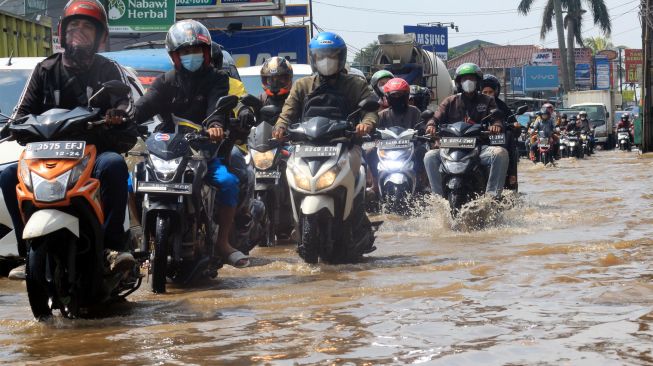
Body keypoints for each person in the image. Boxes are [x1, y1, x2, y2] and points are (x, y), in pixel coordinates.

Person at [0, 0, 137, 280]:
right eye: (74, 25)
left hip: (93, 153)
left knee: (114, 166)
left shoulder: (109, 70)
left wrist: (117, 116)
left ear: (100, 36)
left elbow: (126, 105)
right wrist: (14, 126)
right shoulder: (45, 69)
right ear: (62, 32)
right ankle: (27, 252)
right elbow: (22, 112)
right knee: (7, 175)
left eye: (87, 27)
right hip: (47, 156)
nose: (79, 31)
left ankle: (111, 247)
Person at [133, 19, 251, 268]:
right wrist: (124, 118)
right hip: (167, 150)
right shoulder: (166, 80)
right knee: (131, 180)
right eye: (185, 52)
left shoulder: (217, 79)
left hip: (203, 150)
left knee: (229, 182)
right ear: (175, 56)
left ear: (206, 52)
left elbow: (216, 107)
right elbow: (145, 106)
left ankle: (222, 243)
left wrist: (215, 126)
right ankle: (142, 241)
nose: (191, 56)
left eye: (196, 51)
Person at [271, 31, 377, 251]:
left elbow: (371, 110)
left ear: (341, 57)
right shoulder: (303, 86)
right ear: (313, 59)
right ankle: (287, 223)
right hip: (306, 148)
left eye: (331, 55)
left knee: (358, 179)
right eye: (321, 56)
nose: (326, 60)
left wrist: (365, 124)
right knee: (283, 175)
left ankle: (357, 224)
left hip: (345, 146)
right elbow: (287, 113)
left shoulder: (354, 84)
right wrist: (280, 127)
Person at [423, 63, 508, 198]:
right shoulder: (449, 101)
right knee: (429, 157)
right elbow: (436, 116)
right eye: (464, 79)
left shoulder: (487, 101)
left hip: (478, 147)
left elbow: (496, 117)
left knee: (500, 153)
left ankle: (492, 196)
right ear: (458, 82)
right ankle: (437, 198)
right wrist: (431, 125)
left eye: (472, 79)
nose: (468, 82)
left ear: (478, 82)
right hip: (449, 147)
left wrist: (496, 125)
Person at [480, 74, 518, 189]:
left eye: (490, 92)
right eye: (484, 92)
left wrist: (515, 126)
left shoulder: (502, 106)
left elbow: (513, 122)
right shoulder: (475, 104)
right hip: (478, 139)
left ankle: (511, 175)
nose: (487, 95)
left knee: (509, 136)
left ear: (496, 92)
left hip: (499, 138)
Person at [258, 56, 293, 124]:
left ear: (289, 78)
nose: (275, 84)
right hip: (263, 134)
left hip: (292, 133)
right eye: (271, 79)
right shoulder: (261, 99)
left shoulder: (296, 99)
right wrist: (246, 110)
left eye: (281, 79)